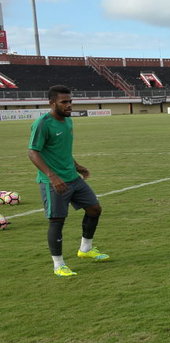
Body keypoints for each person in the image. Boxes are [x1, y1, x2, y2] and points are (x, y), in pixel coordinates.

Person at [28, 85, 111, 277]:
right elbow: (33, 152)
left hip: (72, 177)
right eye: (64, 102)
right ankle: (58, 265)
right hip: (53, 182)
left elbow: (62, 150)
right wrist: (52, 176)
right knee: (57, 220)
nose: (69, 105)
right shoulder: (43, 123)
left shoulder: (67, 122)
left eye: (70, 101)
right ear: (52, 103)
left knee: (94, 209)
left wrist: (76, 165)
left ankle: (86, 248)